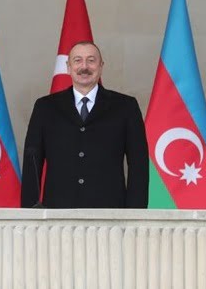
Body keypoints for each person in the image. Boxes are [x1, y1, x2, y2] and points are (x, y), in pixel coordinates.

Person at [21, 41, 148, 208]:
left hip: (110, 211)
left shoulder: (125, 107)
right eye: (78, 60)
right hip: (57, 211)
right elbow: (32, 163)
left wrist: (136, 214)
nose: (84, 67)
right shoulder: (45, 107)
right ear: (68, 67)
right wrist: (29, 212)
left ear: (101, 66)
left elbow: (139, 165)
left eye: (91, 60)